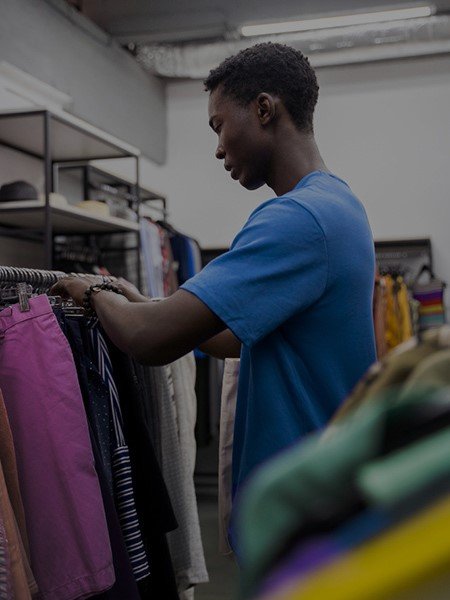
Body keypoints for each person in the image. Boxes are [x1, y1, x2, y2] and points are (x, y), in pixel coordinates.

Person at [53, 42, 376, 548]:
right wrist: (140, 300)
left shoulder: (295, 220)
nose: (219, 148)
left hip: (306, 519)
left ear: (264, 109)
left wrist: (92, 291)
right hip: (327, 499)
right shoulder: (339, 205)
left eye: (219, 125)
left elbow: (149, 342)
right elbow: (229, 336)